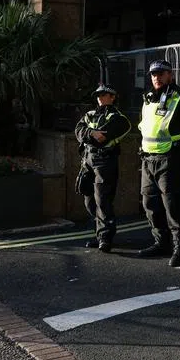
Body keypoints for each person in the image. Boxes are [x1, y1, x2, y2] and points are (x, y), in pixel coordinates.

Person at [135, 59, 180, 266]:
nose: (156, 77)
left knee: (173, 206)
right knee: (150, 204)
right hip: (148, 159)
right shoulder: (148, 99)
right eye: (153, 74)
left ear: (170, 75)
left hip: (172, 159)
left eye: (161, 73)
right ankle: (161, 243)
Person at [74, 84, 132, 252]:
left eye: (104, 94)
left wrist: (88, 134)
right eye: (98, 95)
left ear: (112, 97)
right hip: (88, 160)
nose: (100, 97)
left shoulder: (118, 118)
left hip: (105, 161)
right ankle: (99, 234)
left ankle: (105, 238)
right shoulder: (90, 114)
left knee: (102, 200)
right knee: (89, 200)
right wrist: (91, 133)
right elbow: (78, 130)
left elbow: (103, 139)